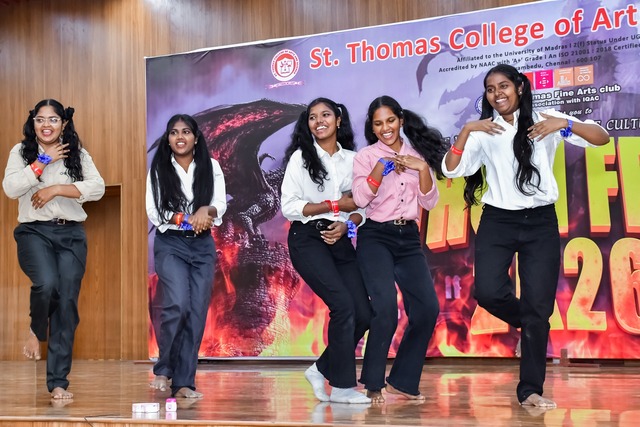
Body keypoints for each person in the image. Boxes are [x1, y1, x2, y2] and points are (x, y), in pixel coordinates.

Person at [442, 64, 610, 408]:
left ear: (519, 87)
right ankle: (531, 326)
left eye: (503, 86)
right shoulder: (484, 130)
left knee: (539, 306)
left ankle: (530, 390)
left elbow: (601, 137)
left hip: (540, 222)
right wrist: (468, 129)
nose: (497, 94)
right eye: (490, 89)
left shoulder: (545, 119)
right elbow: (451, 169)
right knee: (488, 292)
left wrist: (563, 124)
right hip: (498, 221)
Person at [3, 99, 105, 399]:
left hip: (71, 234)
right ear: (33, 123)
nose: (46, 125)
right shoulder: (21, 152)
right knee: (46, 284)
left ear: (64, 123)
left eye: (53, 120)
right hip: (34, 232)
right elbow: (11, 189)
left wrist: (57, 189)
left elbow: (97, 187)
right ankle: (37, 329)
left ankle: (58, 382)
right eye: (40, 119)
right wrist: (43, 161)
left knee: (67, 303)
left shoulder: (78, 154)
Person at [352, 95, 448, 404]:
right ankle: (373, 383)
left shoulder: (416, 154)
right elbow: (360, 199)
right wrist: (378, 170)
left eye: (390, 121)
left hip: (408, 238)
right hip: (375, 237)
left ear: (401, 121)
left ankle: (403, 382)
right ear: (372, 127)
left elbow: (429, 202)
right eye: (378, 123)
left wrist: (422, 169)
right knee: (385, 309)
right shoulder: (366, 156)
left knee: (427, 309)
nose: (385, 128)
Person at [281, 97, 372, 404]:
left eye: (325, 115)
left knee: (364, 313)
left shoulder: (354, 160)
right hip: (307, 238)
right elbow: (289, 207)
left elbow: (363, 206)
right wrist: (333, 206)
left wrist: (348, 224)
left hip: (340, 237)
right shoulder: (300, 158)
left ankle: (320, 369)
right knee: (343, 305)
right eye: (312, 117)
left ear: (338, 119)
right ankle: (343, 388)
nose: (319, 121)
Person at [146, 114, 227, 398]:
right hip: (171, 244)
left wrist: (207, 211)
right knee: (178, 304)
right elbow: (156, 212)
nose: (180, 137)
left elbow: (219, 204)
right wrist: (189, 218)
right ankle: (164, 368)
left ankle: (183, 382)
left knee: (196, 313)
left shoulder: (211, 166)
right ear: (168, 139)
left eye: (186, 132)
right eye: (173, 132)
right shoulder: (159, 168)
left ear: (196, 137)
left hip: (202, 245)